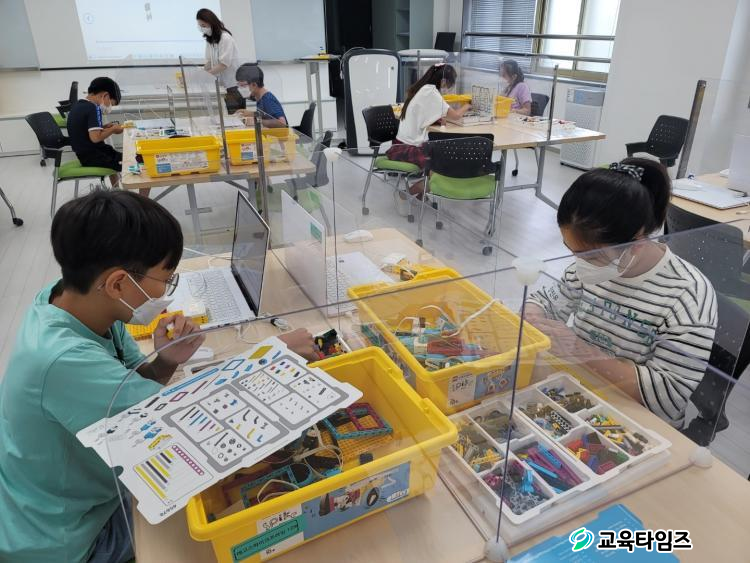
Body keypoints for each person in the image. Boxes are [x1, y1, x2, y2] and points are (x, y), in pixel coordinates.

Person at [0, 190, 317, 562]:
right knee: (228, 532)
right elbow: (179, 422)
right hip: (69, 536)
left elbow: (132, 387)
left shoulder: (73, 302)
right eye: (166, 277)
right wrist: (270, 356)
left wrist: (164, 362)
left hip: (67, 494)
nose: (167, 291)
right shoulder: (63, 360)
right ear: (117, 284)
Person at [526, 158, 717, 428]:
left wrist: (579, 350)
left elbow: (668, 397)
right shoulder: (589, 266)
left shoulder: (687, 296)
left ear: (636, 242)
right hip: (579, 393)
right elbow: (546, 301)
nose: (579, 264)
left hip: (638, 421)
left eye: (591, 256)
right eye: (572, 251)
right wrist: (533, 316)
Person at [386, 64, 471, 197]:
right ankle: (407, 194)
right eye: (448, 84)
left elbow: (423, 113)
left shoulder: (423, 88)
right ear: (443, 81)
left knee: (440, 161)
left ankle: (420, 195)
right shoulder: (431, 92)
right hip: (406, 148)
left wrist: (438, 119)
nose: (447, 88)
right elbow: (455, 116)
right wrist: (468, 105)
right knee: (441, 168)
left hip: (402, 143)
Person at [67, 77, 124, 190]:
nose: (109, 107)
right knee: (128, 162)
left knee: (117, 156)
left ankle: (117, 190)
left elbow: (85, 131)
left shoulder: (79, 105)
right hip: (94, 156)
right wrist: (113, 129)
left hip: (85, 155)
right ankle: (121, 194)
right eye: (111, 104)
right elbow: (95, 138)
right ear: (105, 95)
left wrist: (103, 127)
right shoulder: (94, 108)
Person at [197, 8, 241, 113]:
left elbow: (224, 64)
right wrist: (199, 72)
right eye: (200, 26)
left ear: (211, 22)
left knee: (235, 117)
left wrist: (205, 75)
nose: (202, 28)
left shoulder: (225, 38)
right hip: (221, 86)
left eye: (203, 25)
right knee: (225, 116)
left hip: (232, 85)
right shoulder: (210, 40)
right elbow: (209, 62)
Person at [234, 63, 288, 128]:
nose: (240, 89)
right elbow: (266, 115)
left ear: (254, 85)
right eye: (238, 85)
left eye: (242, 85)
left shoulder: (267, 99)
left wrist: (257, 121)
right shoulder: (259, 97)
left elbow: (282, 123)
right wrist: (251, 114)